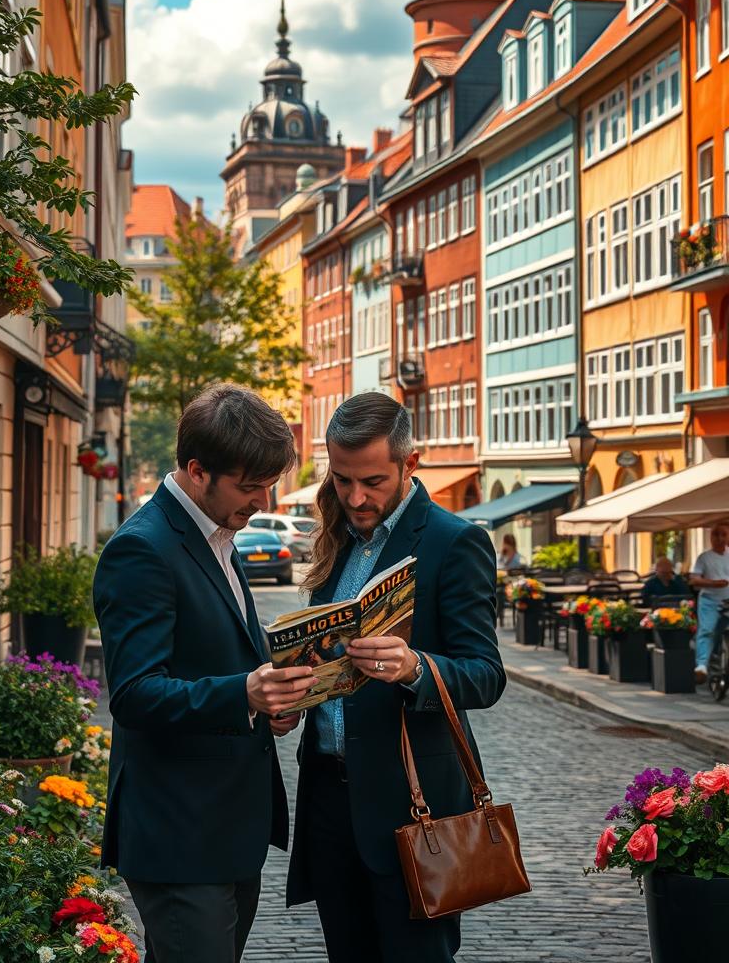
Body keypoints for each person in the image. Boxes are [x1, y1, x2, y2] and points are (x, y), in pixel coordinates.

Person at [93, 384, 318, 963]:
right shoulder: (142, 549)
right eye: (249, 486)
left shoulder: (217, 532)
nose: (263, 500)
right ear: (197, 470)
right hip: (179, 832)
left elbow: (216, 654)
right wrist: (245, 691)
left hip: (225, 827)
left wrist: (272, 694)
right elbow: (135, 694)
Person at [286, 393, 505, 963]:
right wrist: (295, 686)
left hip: (414, 811)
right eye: (342, 480)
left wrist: (415, 668)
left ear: (410, 464)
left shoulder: (454, 543)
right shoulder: (335, 538)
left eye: (373, 482)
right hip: (329, 802)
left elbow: (485, 675)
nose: (356, 498)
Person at [689, 523, 729, 683]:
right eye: (716, 535)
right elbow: (693, 580)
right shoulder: (704, 557)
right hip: (710, 600)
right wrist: (712, 583)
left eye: (723, 535)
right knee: (707, 630)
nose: (719, 538)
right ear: (710, 537)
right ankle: (701, 666)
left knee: (718, 633)